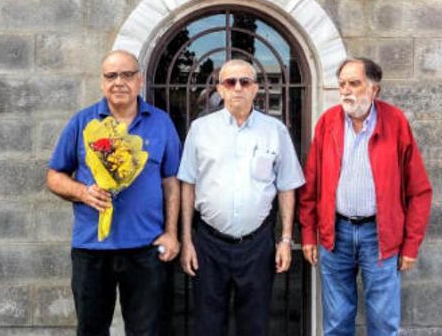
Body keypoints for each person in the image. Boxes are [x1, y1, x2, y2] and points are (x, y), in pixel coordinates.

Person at [46, 50, 181, 336]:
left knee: (148, 331)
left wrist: (171, 233)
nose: (119, 82)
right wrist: (83, 192)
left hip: (146, 247)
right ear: (102, 82)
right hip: (91, 247)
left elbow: (171, 182)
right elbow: (54, 176)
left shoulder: (161, 123)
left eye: (127, 74)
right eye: (111, 76)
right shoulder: (83, 123)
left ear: (139, 80)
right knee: (91, 330)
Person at [297, 57, 432, 336]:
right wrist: (309, 234)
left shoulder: (395, 122)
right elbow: (311, 185)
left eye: (354, 83)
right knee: (336, 323)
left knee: (383, 323)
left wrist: (410, 245)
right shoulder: (327, 123)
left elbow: (419, 191)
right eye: (342, 84)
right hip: (336, 234)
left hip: (380, 236)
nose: (346, 90)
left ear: (374, 89)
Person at [178, 59, 305, 336]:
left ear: (255, 89)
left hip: (257, 244)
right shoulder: (200, 130)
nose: (237, 87)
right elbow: (187, 184)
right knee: (208, 326)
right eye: (230, 82)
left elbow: (287, 186)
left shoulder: (275, 131)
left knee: (255, 325)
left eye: (244, 82)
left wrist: (285, 240)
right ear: (220, 89)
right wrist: (187, 241)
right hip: (209, 243)